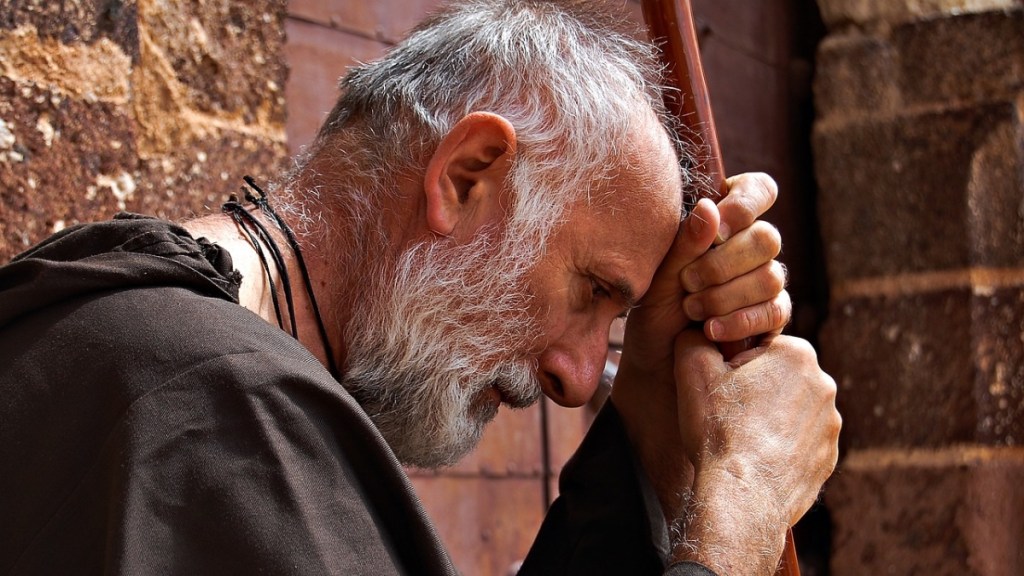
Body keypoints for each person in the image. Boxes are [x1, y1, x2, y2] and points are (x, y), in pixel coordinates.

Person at [0, 1, 840, 574]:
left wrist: (649, 443)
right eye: (591, 290)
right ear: (468, 175)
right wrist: (739, 515)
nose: (578, 378)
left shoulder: (123, 320)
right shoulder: (218, 416)